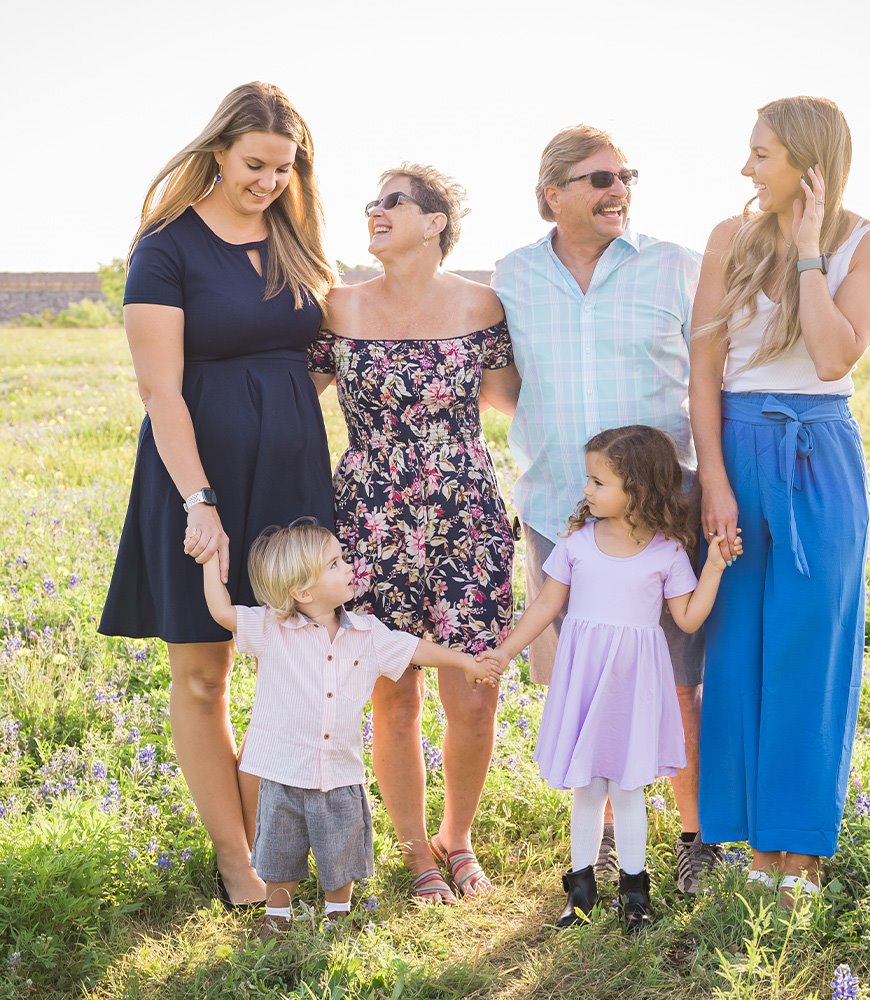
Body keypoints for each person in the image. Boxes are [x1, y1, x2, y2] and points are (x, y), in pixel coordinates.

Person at [99, 82, 338, 907]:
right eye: (254, 164)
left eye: (283, 167)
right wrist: (199, 500)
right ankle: (238, 861)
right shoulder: (166, 247)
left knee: (290, 667)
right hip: (198, 480)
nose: (269, 181)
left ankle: (271, 844)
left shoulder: (295, 239)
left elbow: (316, 358)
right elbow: (159, 391)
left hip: (293, 480)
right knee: (204, 670)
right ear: (219, 151)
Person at [492, 125, 718, 895]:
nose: (618, 189)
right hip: (560, 509)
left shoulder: (676, 266)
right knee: (584, 681)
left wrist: (711, 483)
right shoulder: (514, 275)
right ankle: (612, 839)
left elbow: (708, 384)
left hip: (662, 516)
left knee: (677, 681)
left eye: (625, 176)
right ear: (552, 194)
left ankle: (695, 835)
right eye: (599, 179)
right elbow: (505, 385)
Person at [690, 96, 870, 907]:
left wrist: (811, 252)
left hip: (820, 450)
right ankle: (756, 839)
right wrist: (714, 480)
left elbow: (833, 355)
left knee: (812, 649)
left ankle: (802, 848)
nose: (746, 168)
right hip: (737, 447)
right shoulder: (729, 238)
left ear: (809, 165)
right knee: (737, 648)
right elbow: (703, 370)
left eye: (762, 154)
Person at [307, 164, 520, 903]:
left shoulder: (482, 303)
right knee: (393, 695)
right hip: (368, 522)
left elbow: (514, 401)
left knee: (475, 693)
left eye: (393, 200)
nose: (376, 209)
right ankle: (413, 853)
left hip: (466, 520)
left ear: (435, 222)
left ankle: (457, 840)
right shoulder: (338, 306)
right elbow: (289, 400)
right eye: (372, 201)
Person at [482, 426, 740, 931]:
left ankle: (634, 892)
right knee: (587, 787)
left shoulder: (666, 552)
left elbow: (688, 619)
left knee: (626, 789)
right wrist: (505, 652)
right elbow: (546, 606)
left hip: (631, 687)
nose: (587, 489)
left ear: (637, 490)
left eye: (598, 482)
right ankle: (580, 891)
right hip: (586, 679)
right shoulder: (578, 544)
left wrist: (713, 567)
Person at [201, 520, 503, 937]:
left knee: (341, 847)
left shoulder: (367, 633)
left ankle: (338, 912)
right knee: (279, 849)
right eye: (334, 564)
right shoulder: (270, 628)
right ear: (303, 592)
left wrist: (464, 662)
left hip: (339, 770)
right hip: (284, 770)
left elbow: (415, 649)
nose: (349, 567)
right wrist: (209, 557)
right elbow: (221, 612)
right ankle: (277, 915)